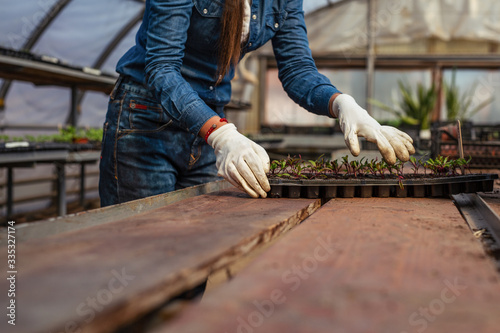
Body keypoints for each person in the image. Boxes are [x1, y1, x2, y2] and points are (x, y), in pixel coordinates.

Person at [99, 0, 415, 207]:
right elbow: (161, 69)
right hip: (147, 120)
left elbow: (297, 71)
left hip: (207, 126)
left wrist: (342, 104)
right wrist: (221, 135)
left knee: (194, 250)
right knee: (143, 251)